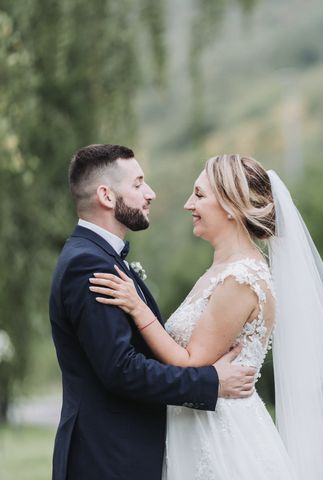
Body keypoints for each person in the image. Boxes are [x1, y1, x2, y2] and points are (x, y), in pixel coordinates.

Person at [90, 154, 323, 479]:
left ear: (231, 206)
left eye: (200, 194)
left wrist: (137, 308)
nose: (188, 204)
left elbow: (191, 362)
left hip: (221, 438)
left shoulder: (241, 279)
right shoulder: (220, 272)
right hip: (195, 428)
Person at [49, 144, 257, 480]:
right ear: (106, 195)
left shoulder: (100, 257)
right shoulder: (88, 264)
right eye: (137, 184)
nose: (151, 193)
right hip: (107, 458)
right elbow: (120, 369)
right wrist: (210, 382)